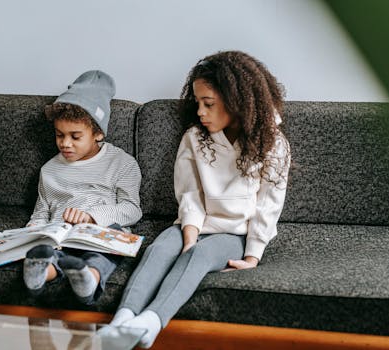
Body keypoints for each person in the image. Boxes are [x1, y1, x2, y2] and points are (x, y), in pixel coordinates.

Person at [108, 51, 291, 348]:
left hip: (235, 233)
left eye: (209, 104)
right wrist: (189, 235)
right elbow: (189, 194)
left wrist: (252, 256)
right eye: (198, 104)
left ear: (237, 102)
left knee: (200, 256)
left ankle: (151, 322)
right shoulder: (194, 138)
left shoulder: (272, 143)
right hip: (196, 223)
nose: (201, 113)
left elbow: (268, 206)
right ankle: (121, 321)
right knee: (158, 250)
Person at [23, 70, 142, 305]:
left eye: (75, 137)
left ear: (98, 133)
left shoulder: (122, 163)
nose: (65, 144)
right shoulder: (49, 170)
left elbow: (132, 209)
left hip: (101, 233)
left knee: (109, 244)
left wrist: (92, 216)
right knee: (47, 250)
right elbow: (40, 212)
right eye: (59, 135)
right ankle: (39, 274)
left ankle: (89, 279)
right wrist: (34, 230)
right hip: (60, 234)